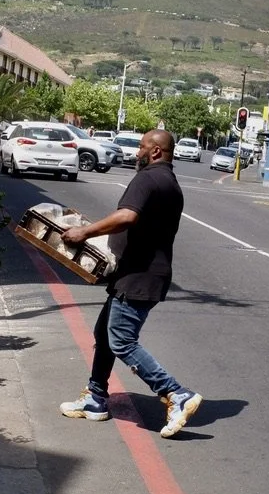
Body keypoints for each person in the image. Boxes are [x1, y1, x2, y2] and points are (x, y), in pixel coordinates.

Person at [59, 129, 202, 438]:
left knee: (121, 340)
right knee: (104, 333)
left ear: (154, 152)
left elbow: (126, 216)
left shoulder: (147, 179)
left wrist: (84, 232)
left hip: (140, 275)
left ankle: (176, 394)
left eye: (140, 147)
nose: (136, 153)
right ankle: (96, 398)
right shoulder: (170, 183)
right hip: (140, 273)